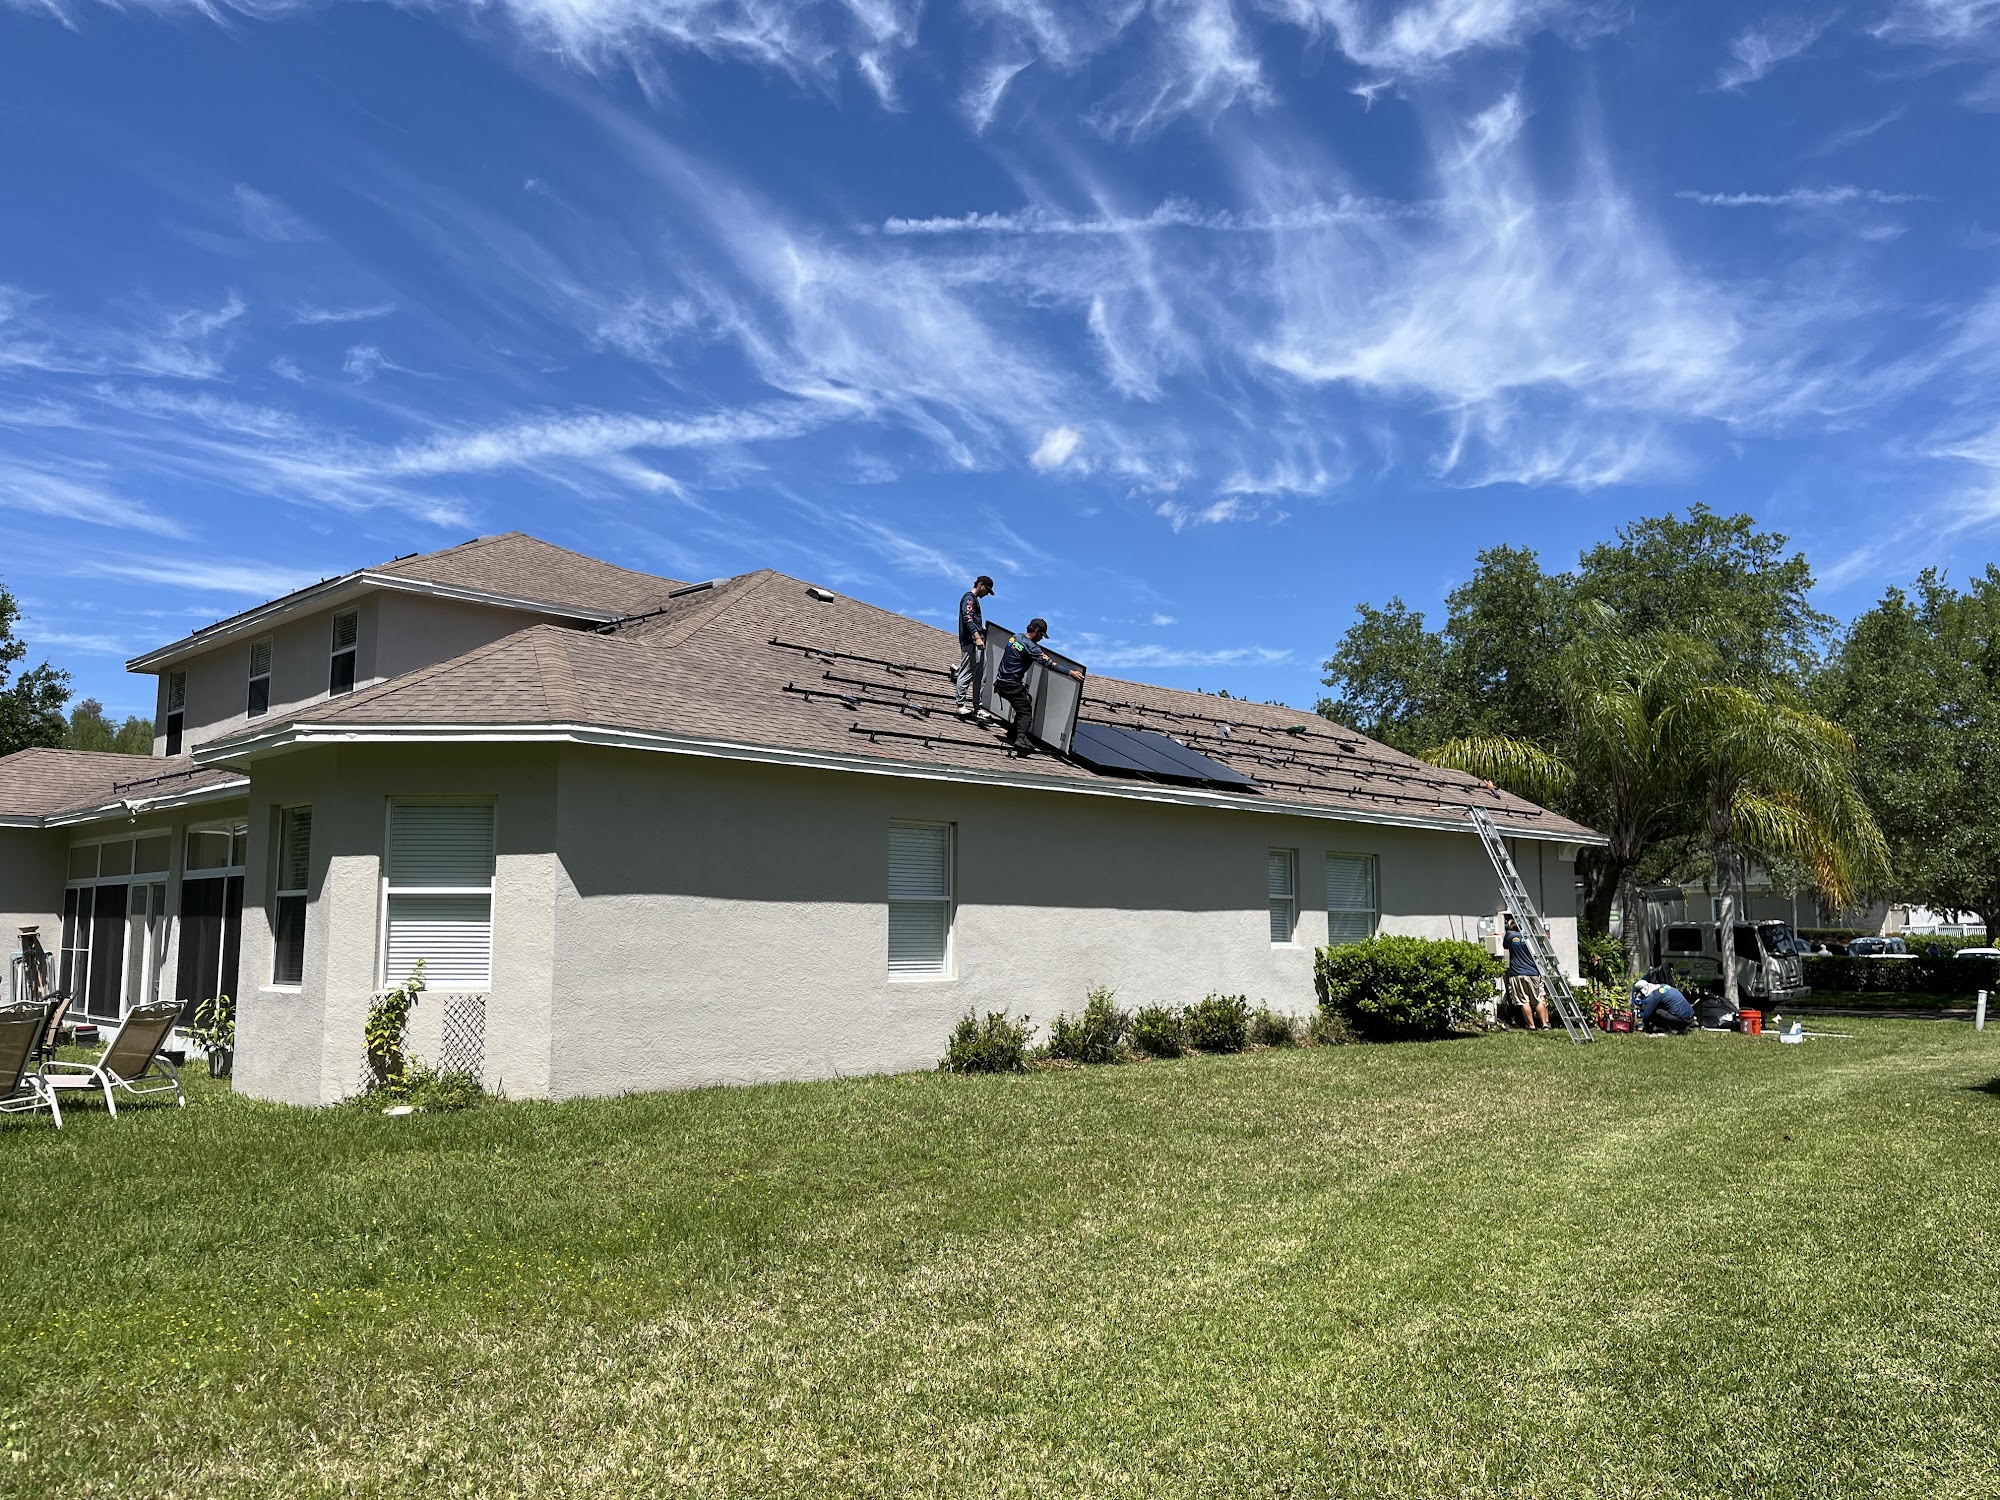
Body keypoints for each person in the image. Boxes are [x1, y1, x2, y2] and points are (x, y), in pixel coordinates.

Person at [993, 618, 1083, 756]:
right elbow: (1050, 664)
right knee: (1025, 712)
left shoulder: (1015, 637)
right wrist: (1070, 673)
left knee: (1024, 702)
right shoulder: (1032, 648)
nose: (1041, 638)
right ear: (1036, 630)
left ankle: (1013, 733)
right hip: (1011, 685)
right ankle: (1020, 739)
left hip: (1000, 683)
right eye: (1041, 635)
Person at [954, 575, 996, 720]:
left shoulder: (975, 600)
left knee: (980, 676)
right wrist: (977, 637)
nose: (986, 593)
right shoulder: (969, 598)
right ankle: (960, 705)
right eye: (986, 590)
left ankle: (977, 707)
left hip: (978, 642)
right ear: (980, 584)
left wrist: (982, 631)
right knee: (967, 672)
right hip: (971, 642)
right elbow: (967, 617)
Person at [1502, 915, 1552, 1030]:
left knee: (1524, 1001)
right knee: (1538, 999)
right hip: (1533, 972)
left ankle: (1531, 1026)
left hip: (1517, 973)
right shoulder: (1532, 937)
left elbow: (1505, 945)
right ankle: (1544, 1025)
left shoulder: (1510, 935)